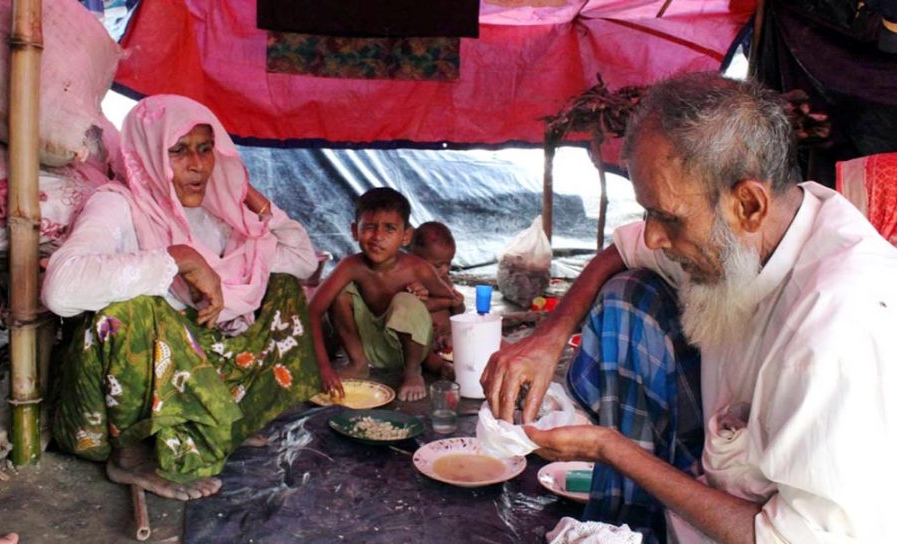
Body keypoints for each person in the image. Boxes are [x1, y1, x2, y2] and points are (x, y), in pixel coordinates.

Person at [481, 72, 897, 542]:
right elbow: (621, 250)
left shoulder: (840, 324)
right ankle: (624, 524)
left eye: (667, 217)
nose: (654, 236)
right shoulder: (747, 233)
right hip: (718, 478)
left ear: (749, 205)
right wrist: (547, 338)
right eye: (648, 213)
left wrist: (611, 448)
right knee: (629, 295)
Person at [42, 95, 337, 501]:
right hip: (113, 412)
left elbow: (302, 263)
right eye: (178, 151)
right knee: (132, 312)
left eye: (204, 149)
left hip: (195, 368)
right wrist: (177, 259)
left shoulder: (218, 213)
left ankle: (225, 421)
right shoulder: (118, 204)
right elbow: (61, 289)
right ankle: (130, 457)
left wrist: (256, 200)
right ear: (147, 154)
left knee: (282, 289)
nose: (197, 165)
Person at [309, 188, 456, 401]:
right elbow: (313, 310)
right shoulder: (350, 266)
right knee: (339, 292)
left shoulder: (417, 268)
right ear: (355, 231)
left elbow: (451, 299)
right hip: (372, 346)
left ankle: (412, 372)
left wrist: (422, 300)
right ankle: (358, 364)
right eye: (369, 227)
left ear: (406, 235)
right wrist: (323, 367)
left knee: (406, 300)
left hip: (411, 349)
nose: (378, 237)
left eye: (389, 228)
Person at [407, 221, 466, 376]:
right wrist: (446, 301)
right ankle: (442, 368)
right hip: (425, 340)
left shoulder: (445, 280)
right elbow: (415, 308)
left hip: (447, 336)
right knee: (422, 355)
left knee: (470, 339)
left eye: (449, 263)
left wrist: (458, 304)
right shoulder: (411, 283)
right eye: (438, 265)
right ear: (415, 259)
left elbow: (458, 313)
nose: (445, 269)